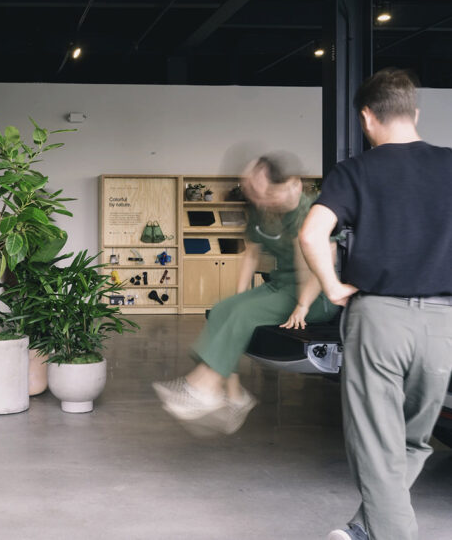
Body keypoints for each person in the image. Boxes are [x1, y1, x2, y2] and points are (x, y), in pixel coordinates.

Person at [299, 69, 452, 540]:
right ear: (415, 112)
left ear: (366, 117)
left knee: (374, 443)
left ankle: (385, 531)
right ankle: (365, 528)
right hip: (443, 324)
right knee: (414, 441)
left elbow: (311, 233)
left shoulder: (356, 170)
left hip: (379, 320)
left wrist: (331, 285)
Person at [153, 154, 339, 433]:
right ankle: (234, 394)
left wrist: (302, 305)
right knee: (223, 310)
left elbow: (319, 267)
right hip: (280, 285)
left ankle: (205, 388)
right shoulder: (262, 211)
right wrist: (238, 298)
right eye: (253, 190)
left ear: (293, 185)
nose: (259, 199)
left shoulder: (309, 212)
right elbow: (251, 254)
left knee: (242, 313)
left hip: (316, 295)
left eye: (264, 192)